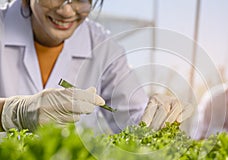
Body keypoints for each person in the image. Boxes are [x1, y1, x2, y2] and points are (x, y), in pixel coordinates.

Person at [0, 0, 193, 133]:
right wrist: (12, 112)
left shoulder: (103, 47)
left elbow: (132, 116)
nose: (67, 11)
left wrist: (157, 114)